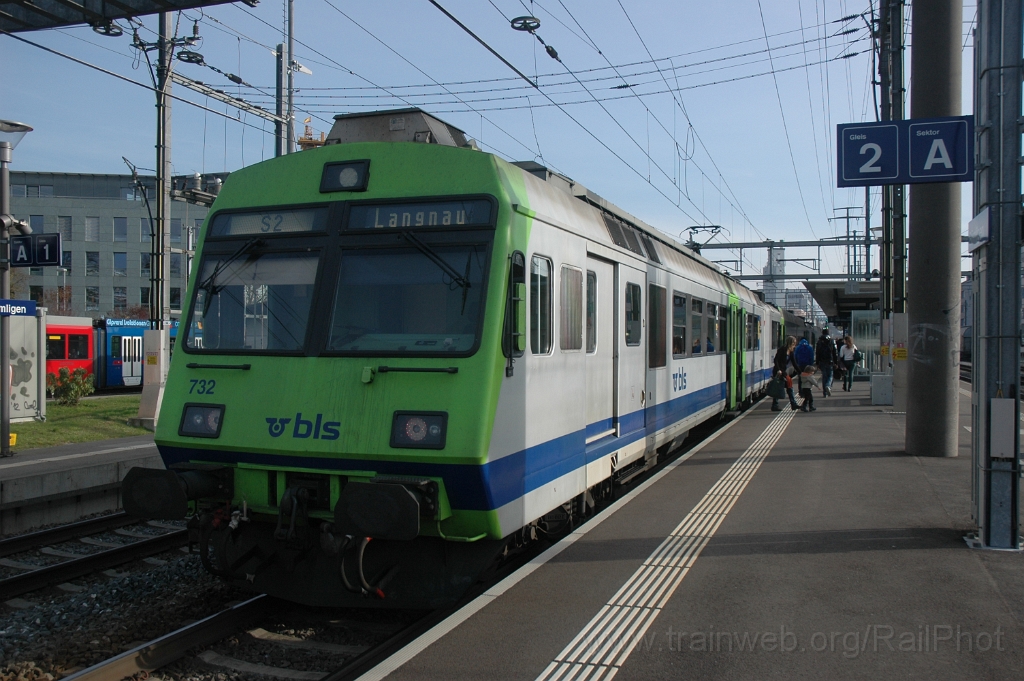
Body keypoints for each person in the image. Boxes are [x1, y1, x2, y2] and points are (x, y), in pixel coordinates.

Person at [771, 336, 799, 411]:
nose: (795, 345)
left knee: (788, 386)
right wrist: (778, 370)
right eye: (794, 343)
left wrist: (800, 372)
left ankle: (793, 404)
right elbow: (776, 360)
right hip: (778, 371)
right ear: (791, 343)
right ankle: (776, 405)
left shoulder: (791, 352)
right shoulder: (782, 350)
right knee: (779, 387)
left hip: (783, 372)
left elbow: (794, 363)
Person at [815, 328, 837, 397]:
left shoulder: (819, 341)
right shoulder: (832, 341)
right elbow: (835, 353)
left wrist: (817, 363)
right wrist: (835, 362)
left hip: (822, 361)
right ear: (828, 333)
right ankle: (828, 386)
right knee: (830, 375)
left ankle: (825, 393)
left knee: (824, 376)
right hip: (830, 361)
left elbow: (817, 353)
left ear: (822, 333)